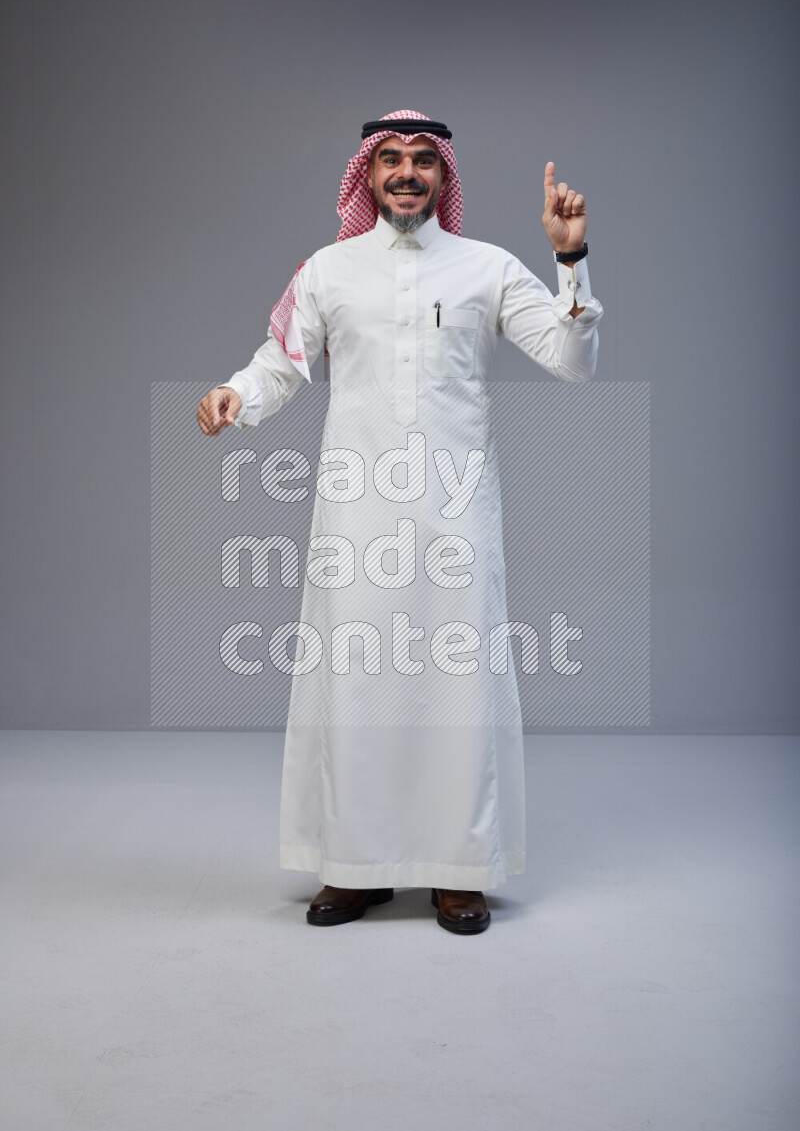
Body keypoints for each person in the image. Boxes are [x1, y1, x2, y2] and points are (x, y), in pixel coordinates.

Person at [197, 109, 603, 934]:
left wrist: (571, 260)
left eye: (425, 160)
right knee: (355, 683)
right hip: (356, 511)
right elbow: (282, 362)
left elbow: (571, 360)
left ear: (446, 178)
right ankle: (355, 867)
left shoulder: (488, 267)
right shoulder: (327, 269)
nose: (408, 172)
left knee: (459, 687)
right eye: (391, 160)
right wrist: (237, 398)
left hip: (458, 515)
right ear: (367, 175)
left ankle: (460, 870)